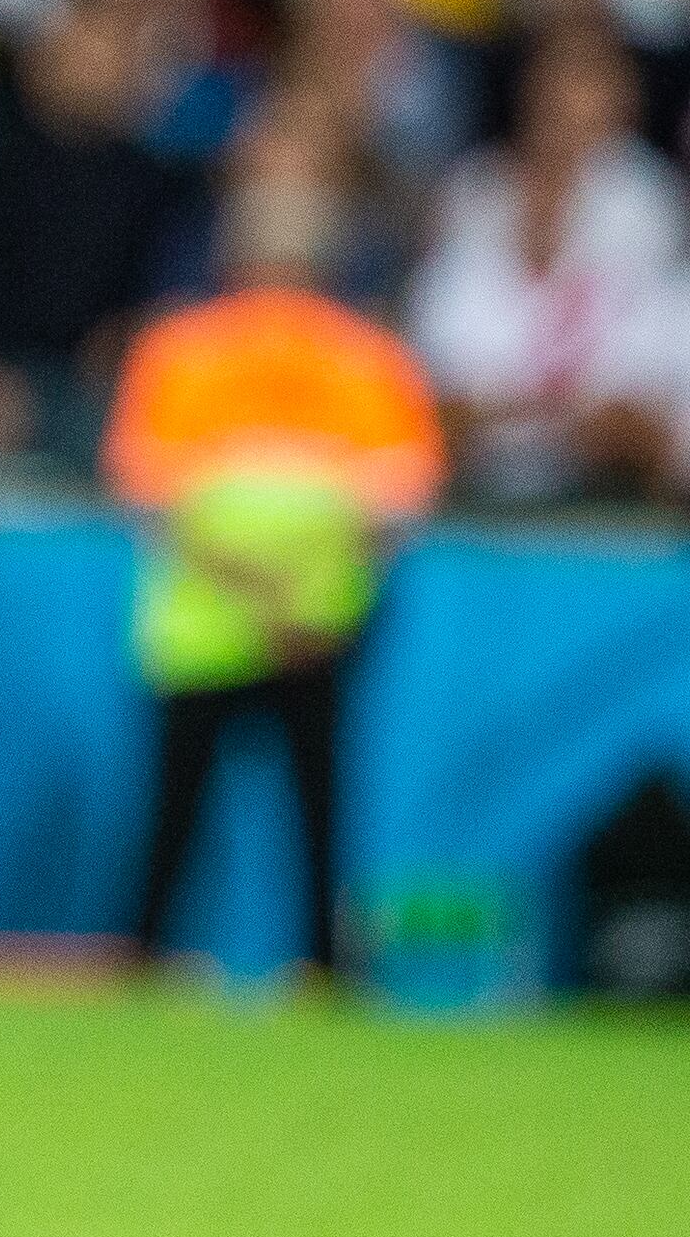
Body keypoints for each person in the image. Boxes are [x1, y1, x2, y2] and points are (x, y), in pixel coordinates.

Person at [101, 210, 442, 982]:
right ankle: (158, 957)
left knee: (307, 814)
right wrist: (290, 601)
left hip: (274, 626)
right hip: (256, 626)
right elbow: (149, 494)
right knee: (191, 812)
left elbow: (397, 503)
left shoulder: (352, 357)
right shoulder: (196, 351)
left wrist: (276, 599)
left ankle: (315, 964)